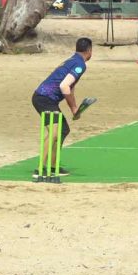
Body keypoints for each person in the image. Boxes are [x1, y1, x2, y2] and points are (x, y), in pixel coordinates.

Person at [32, 38, 92, 178]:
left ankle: (53, 166)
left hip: (44, 98)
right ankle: (40, 168)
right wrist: (74, 108)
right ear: (89, 50)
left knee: (63, 129)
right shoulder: (80, 64)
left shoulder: (72, 60)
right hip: (44, 98)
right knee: (54, 132)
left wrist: (74, 109)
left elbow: (70, 87)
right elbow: (64, 86)